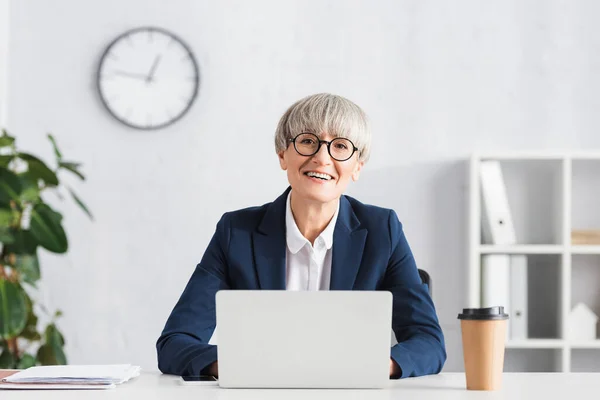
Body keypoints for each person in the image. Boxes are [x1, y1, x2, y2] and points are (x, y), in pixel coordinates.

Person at [156, 93, 446, 379]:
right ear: (283, 154)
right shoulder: (236, 232)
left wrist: (375, 367)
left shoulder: (383, 230)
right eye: (307, 141)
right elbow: (175, 342)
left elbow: (429, 343)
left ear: (357, 166)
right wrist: (238, 365)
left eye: (341, 146)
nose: (322, 158)